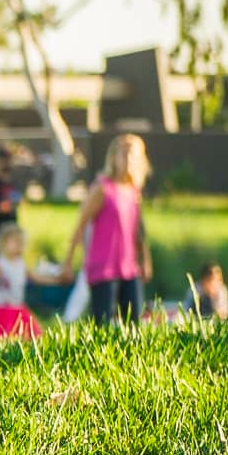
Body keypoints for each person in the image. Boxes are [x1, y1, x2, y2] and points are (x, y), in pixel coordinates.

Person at [63, 134, 152, 326]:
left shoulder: (134, 191)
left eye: (133, 155)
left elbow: (138, 230)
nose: (128, 160)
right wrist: (68, 262)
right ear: (114, 158)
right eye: (124, 154)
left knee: (135, 324)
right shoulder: (103, 189)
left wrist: (145, 259)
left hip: (129, 267)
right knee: (103, 324)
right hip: (104, 267)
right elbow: (81, 224)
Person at [0, 224, 59, 338]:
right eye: (16, 241)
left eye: (22, 242)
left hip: (16, 308)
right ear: (3, 243)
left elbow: (36, 278)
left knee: (26, 335)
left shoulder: (21, 264)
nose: (20, 245)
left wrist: (56, 280)